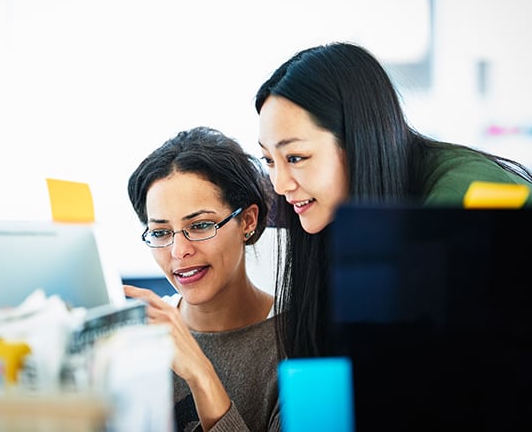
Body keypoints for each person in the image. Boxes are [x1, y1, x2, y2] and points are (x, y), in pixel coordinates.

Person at [254, 41, 532, 359]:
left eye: (296, 157)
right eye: (269, 160)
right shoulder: (344, 208)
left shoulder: (464, 202)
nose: (279, 184)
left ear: (359, 141)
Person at [123, 126, 280, 432]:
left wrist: (200, 375)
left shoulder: (298, 344)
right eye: (160, 232)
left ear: (248, 220)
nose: (179, 251)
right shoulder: (139, 337)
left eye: (200, 225)